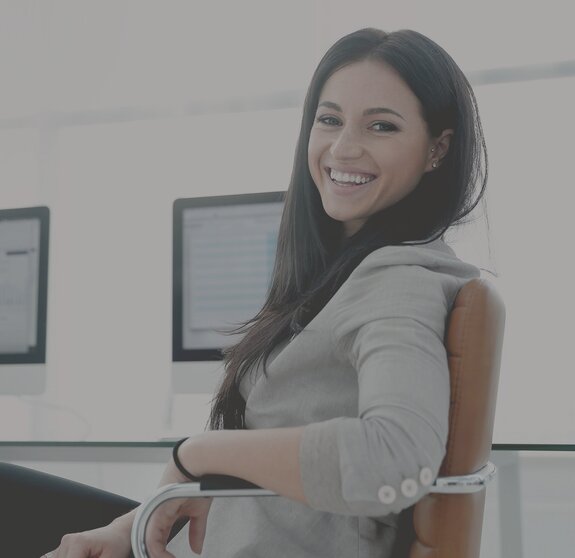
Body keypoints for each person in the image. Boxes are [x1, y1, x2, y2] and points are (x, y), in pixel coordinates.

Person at [4, 26, 487, 557]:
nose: (344, 147)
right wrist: (129, 528)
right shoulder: (349, 275)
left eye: (382, 126)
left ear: (437, 149)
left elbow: (392, 460)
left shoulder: (400, 283)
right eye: (329, 120)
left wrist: (201, 453)